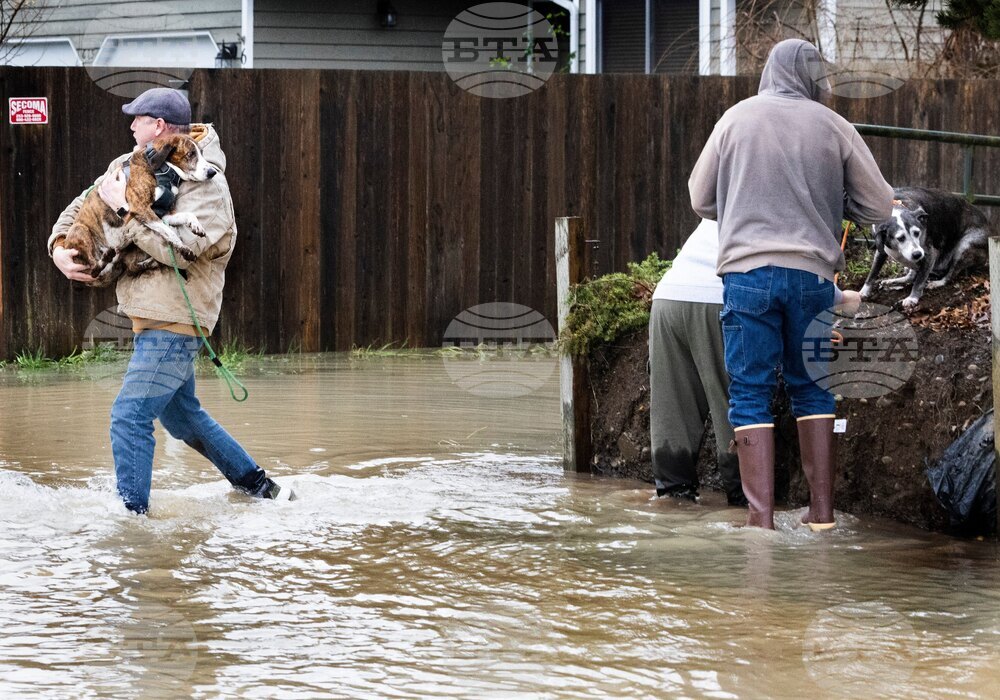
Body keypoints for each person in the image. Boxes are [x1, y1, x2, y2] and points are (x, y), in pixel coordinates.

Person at [49, 87, 293, 514]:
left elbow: (180, 251)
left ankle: (132, 523)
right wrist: (58, 248)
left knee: (129, 417)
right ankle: (264, 490)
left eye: (136, 119)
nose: (130, 126)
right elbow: (80, 205)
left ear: (158, 126)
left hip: (178, 321)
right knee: (182, 418)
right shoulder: (130, 163)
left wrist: (125, 211)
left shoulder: (209, 186)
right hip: (150, 318)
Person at [688, 39, 892, 530]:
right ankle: (821, 518)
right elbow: (882, 206)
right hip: (813, 278)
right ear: (816, 79)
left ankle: (760, 524)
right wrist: (836, 202)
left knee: (751, 392)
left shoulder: (735, 118)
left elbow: (700, 197)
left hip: (747, 275)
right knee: (813, 388)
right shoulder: (834, 126)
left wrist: (741, 204)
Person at [649, 219, 746, 507]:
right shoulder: (787, 193)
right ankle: (744, 501)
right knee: (732, 401)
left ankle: (672, 498)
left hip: (668, 297)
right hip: (718, 298)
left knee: (672, 410)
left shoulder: (728, 183)